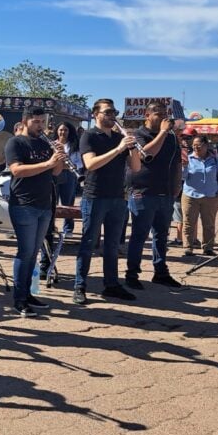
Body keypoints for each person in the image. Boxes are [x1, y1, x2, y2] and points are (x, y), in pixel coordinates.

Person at [71, 100, 141, 305]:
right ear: (95, 114)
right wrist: (119, 149)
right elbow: (91, 164)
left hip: (117, 197)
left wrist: (133, 147)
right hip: (95, 196)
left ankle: (111, 285)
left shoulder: (120, 137)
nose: (113, 115)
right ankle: (79, 285)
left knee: (112, 245)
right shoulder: (89, 135)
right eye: (108, 112)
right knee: (88, 243)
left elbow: (135, 167)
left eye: (114, 112)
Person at [4, 107, 62, 316]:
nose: (41, 126)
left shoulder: (45, 143)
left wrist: (59, 157)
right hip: (24, 204)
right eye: (36, 121)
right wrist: (48, 162)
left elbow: (55, 172)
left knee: (34, 253)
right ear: (25, 121)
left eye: (43, 121)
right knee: (25, 252)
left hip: (44, 204)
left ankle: (27, 293)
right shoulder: (16, 142)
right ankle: (19, 299)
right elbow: (17, 170)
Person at [126, 101, 183, 289]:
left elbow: (176, 164)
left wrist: (176, 186)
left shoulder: (172, 138)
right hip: (143, 192)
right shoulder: (138, 135)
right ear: (147, 115)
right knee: (139, 235)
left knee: (161, 234)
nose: (164, 117)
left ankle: (160, 272)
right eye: (158, 114)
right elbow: (145, 154)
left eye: (165, 113)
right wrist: (163, 132)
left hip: (165, 193)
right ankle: (132, 274)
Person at [182, 136, 218, 257]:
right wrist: (184, 166)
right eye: (194, 145)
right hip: (191, 196)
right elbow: (182, 177)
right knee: (189, 222)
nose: (196, 147)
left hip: (211, 196)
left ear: (206, 145)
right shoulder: (189, 159)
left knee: (209, 223)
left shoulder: (214, 160)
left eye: (199, 145)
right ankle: (188, 247)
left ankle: (208, 247)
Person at [54, 121, 82, 237]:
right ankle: (51, 226)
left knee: (68, 202)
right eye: (61, 130)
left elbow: (78, 163)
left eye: (65, 130)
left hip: (69, 175)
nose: (62, 132)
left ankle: (68, 228)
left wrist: (65, 164)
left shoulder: (74, 145)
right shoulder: (52, 144)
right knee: (52, 201)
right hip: (54, 174)